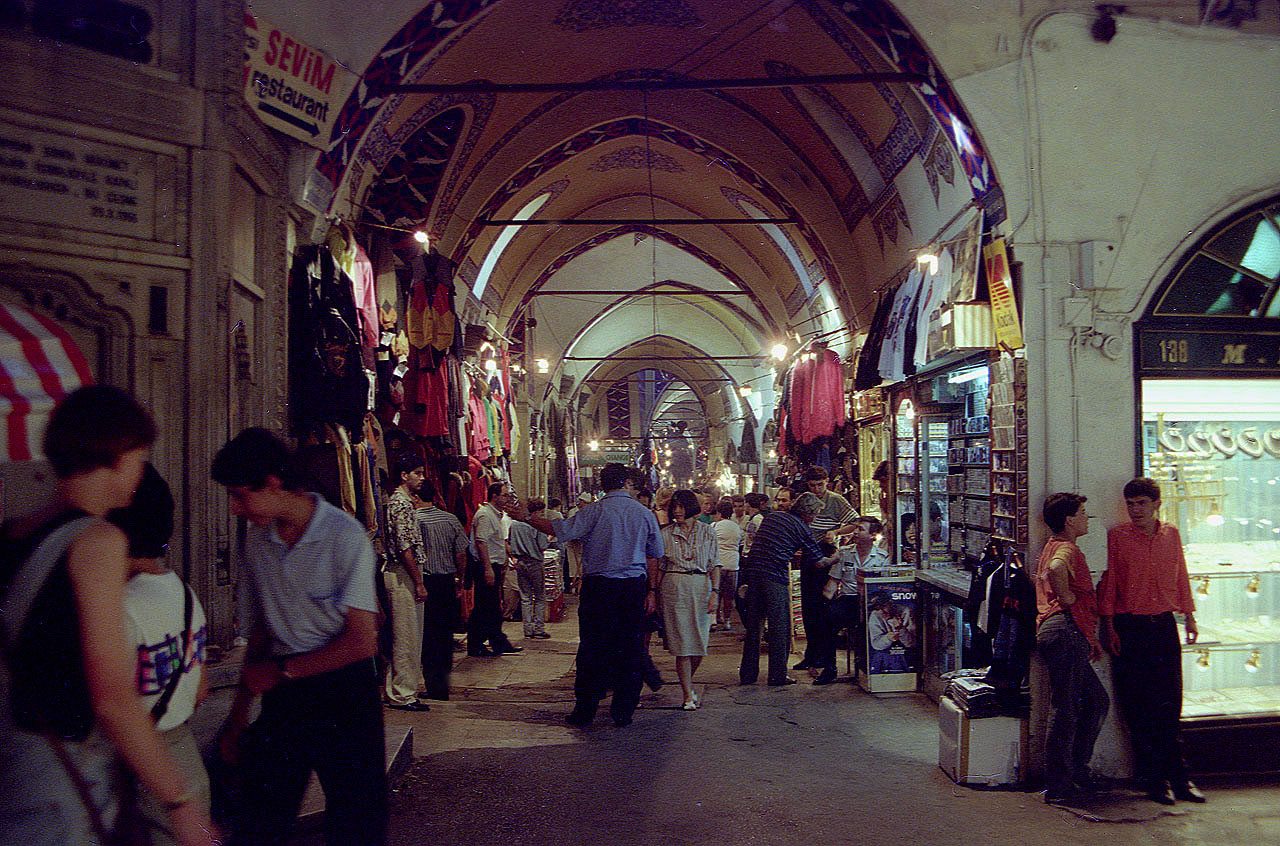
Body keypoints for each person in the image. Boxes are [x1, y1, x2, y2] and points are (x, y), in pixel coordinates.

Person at [0, 386, 217, 846]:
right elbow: (114, 698)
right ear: (117, 454)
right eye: (139, 455)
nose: (140, 469)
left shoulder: (13, 533)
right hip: (59, 790)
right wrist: (179, 801)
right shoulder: (98, 543)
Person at [211, 427, 387, 845]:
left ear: (273, 484)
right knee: (261, 821)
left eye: (240, 495)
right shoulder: (257, 538)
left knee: (357, 823)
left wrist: (280, 671)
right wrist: (237, 716)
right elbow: (260, 631)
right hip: (284, 694)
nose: (235, 509)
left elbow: (363, 641)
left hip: (345, 692)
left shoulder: (345, 537)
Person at [517, 463, 663, 728]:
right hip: (632, 587)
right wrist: (652, 591)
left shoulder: (594, 511)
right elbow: (655, 553)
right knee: (630, 648)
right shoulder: (644, 514)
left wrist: (525, 518)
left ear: (602, 485)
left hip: (599, 588)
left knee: (593, 648)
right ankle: (623, 710)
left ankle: (585, 710)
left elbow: (559, 530)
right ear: (625, 483)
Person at [113, 464, 213, 845]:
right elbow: (200, 690)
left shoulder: (118, 607)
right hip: (186, 764)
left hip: (144, 773)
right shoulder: (184, 594)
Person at [1100, 478, 1204, 805]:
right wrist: (1109, 626)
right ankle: (1154, 780)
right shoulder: (1117, 537)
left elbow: (1181, 573)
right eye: (1130, 504)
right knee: (1138, 706)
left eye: (1141, 503)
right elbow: (1111, 583)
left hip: (1163, 627)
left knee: (1170, 704)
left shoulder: (1171, 534)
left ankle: (1181, 778)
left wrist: (1189, 615)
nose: (1135, 510)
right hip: (1130, 628)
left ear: (1157, 504)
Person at [1034, 493, 1109, 805]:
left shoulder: (1052, 544)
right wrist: (1066, 597)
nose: (1086, 518)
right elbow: (1056, 568)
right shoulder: (1066, 549)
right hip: (1064, 629)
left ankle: (1076, 769)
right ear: (1069, 520)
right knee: (1065, 709)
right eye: (1082, 512)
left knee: (1095, 700)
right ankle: (1060, 784)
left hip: (1061, 631)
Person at [738, 492, 836, 687]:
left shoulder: (772, 517)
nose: (815, 518)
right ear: (807, 513)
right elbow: (819, 562)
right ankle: (777, 675)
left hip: (754, 574)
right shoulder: (802, 528)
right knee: (780, 627)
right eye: (815, 514)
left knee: (754, 628)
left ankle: (748, 675)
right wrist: (837, 557)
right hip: (774, 578)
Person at [650, 490, 719, 710]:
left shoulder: (708, 532)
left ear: (690, 507)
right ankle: (687, 693)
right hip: (674, 587)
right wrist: (655, 593)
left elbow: (715, 564)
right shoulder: (665, 534)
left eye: (681, 507)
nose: (677, 511)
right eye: (674, 507)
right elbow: (660, 566)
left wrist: (715, 593)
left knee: (699, 644)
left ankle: (687, 681)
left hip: (701, 587)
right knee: (682, 644)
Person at [381, 452, 432, 711]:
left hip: (404, 572)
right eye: (418, 473)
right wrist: (418, 581)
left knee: (407, 635)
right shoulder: (400, 504)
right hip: (403, 574)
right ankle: (403, 694)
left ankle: (401, 690)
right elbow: (404, 546)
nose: (422, 478)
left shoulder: (402, 502)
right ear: (404, 475)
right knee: (407, 636)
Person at [795, 467, 858, 671]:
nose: (817, 489)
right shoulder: (804, 499)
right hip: (807, 554)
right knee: (808, 607)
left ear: (827, 482)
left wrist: (835, 532)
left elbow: (854, 522)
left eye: (820, 485)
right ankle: (811, 655)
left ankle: (822, 655)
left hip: (825, 551)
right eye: (813, 485)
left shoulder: (836, 500)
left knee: (823, 605)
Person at [812, 516, 887, 685]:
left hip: (872, 601)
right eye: (856, 528)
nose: (856, 532)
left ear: (873, 535)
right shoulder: (845, 553)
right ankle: (829, 668)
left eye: (861, 529)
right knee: (827, 619)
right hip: (849, 599)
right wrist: (825, 604)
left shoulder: (882, 557)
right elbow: (833, 582)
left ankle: (868, 667)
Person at [468, 482, 523, 656]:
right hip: (487, 566)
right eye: (504, 495)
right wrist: (487, 569)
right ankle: (476, 644)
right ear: (494, 496)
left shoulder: (494, 515)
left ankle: (497, 641)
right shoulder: (485, 515)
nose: (507, 498)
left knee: (492, 607)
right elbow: (481, 542)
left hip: (494, 566)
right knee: (485, 606)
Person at [508, 498, 552, 639]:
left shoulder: (514, 525)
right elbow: (543, 545)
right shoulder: (536, 526)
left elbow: (510, 542)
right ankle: (539, 628)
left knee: (525, 596)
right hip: (534, 562)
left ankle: (527, 629)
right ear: (538, 511)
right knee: (539, 596)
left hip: (520, 562)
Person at [711, 499, 742, 631]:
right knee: (729, 596)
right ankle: (727, 621)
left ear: (719, 513)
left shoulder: (714, 526)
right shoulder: (737, 527)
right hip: (733, 564)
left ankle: (713, 619)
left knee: (716, 592)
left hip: (718, 565)